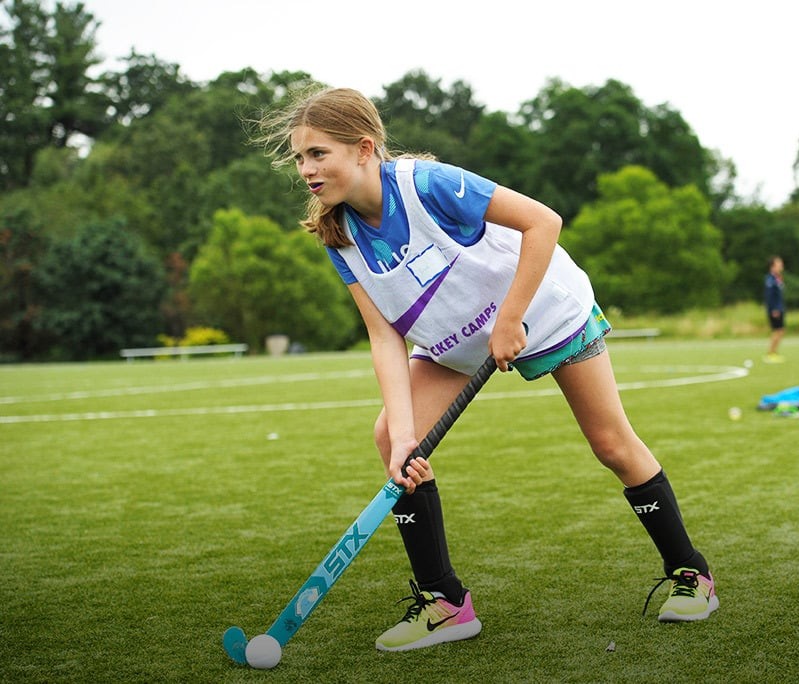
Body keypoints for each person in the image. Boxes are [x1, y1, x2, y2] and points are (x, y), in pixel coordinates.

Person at [258, 86, 718, 652]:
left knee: (611, 443)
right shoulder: (341, 235)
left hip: (542, 308)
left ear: (363, 148)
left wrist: (512, 317)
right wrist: (407, 436)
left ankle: (691, 573)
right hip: (456, 340)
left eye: (317, 154)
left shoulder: (426, 185)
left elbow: (543, 222)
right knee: (391, 440)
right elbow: (384, 337)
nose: (306, 169)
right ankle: (445, 603)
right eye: (300, 158)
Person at [764, 256, 786, 363]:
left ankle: (774, 352)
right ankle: (770, 353)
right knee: (777, 331)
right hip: (775, 310)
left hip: (779, 308)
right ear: (772, 266)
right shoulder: (770, 279)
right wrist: (774, 309)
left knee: (781, 331)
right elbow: (770, 296)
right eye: (778, 264)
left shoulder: (778, 278)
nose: (781, 266)